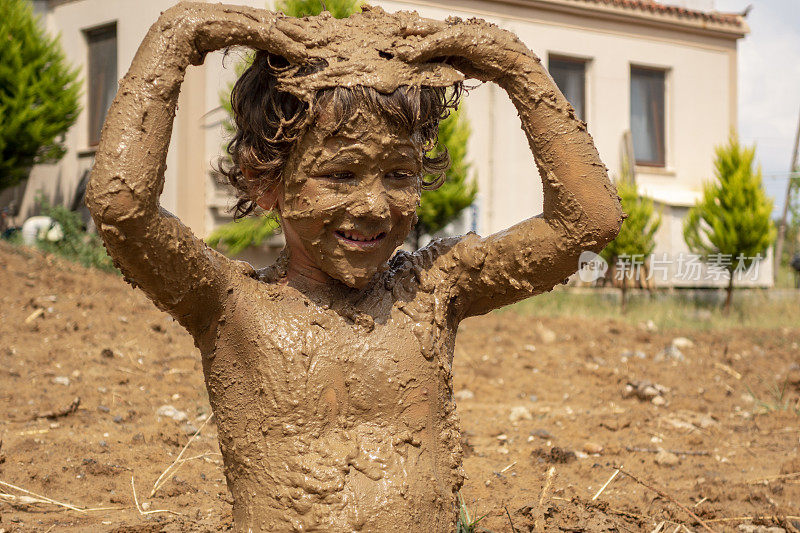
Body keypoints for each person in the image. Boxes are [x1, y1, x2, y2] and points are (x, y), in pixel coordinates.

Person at [86, 3, 623, 531]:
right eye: (340, 175)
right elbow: (121, 209)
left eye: (399, 174)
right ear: (262, 179)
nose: (373, 205)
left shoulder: (432, 292)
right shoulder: (228, 306)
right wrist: (180, 33)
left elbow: (586, 225)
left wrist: (511, 63)